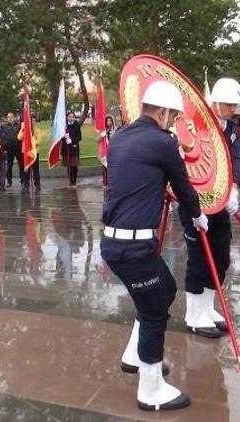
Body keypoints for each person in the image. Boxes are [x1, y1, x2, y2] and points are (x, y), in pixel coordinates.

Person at [102, 80, 207, 411]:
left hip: (116, 243)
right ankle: (150, 389)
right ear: (161, 112)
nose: (174, 121)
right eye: (173, 116)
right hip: (133, 249)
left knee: (166, 288)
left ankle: (135, 355)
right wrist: (198, 217)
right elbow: (184, 188)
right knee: (153, 313)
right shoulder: (162, 143)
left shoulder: (121, 137)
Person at [178, 77, 240, 338]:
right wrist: (194, 208)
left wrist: (234, 188)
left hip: (221, 202)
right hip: (196, 204)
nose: (233, 109)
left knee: (220, 257)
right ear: (215, 103)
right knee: (199, 259)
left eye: (235, 105)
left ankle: (207, 307)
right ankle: (194, 315)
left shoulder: (233, 128)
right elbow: (188, 167)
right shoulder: (197, 125)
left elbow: (235, 160)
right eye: (228, 105)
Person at [1, 112, 24, 188]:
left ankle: (23, 181)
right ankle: (9, 182)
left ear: (14, 117)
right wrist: (4, 147)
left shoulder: (19, 126)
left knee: (21, 166)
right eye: (8, 117)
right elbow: (2, 137)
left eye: (11, 117)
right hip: (9, 149)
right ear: (7, 118)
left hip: (18, 149)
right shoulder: (4, 127)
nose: (10, 118)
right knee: (9, 166)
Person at [18, 116, 41, 192]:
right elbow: (19, 138)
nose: (33, 122)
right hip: (25, 152)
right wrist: (23, 130)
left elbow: (39, 140)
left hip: (34, 153)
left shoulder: (37, 130)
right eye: (31, 120)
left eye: (34, 120)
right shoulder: (25, 130)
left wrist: (32, 143)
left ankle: (37, 184)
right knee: (26, 169)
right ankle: (26, 184)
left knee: (36, 170)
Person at [62, 111, 82, 187]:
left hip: (74, 147)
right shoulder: (65, 125)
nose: (71, 118)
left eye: (72, 116)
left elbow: (79, 137)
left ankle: (74, 181)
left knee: (74, 165)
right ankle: (70, 181)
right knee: (69, 166)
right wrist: (64, 137)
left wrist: (72, 140)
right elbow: (60, 137)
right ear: (67, 117)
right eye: (69, 116)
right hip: (66, 148)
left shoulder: (76, 125)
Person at [100, 115, 118, 187]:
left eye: (110, 120)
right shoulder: (104, 130)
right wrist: (102, 134)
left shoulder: (115, 130)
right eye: (107, 121)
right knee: (105, 167)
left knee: (113, 167)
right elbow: (97, 140)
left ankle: (113, 182)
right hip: (106, 152)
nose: (109, 122)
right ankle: (105, 183)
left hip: (114, 151)